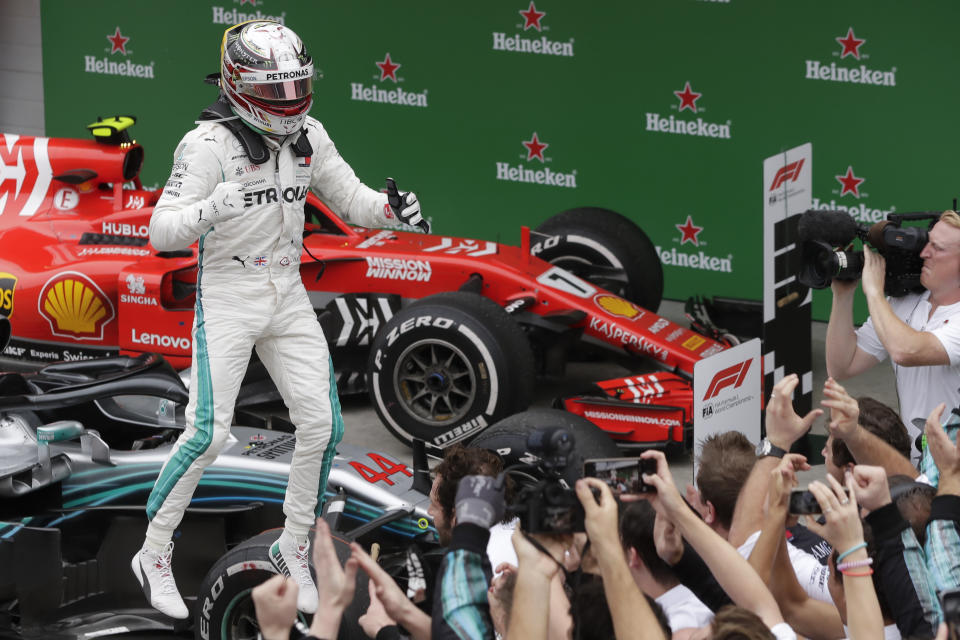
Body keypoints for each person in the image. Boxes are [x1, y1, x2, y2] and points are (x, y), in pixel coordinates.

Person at [131, 20, 427, 619]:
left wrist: (394, 212)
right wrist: (209, 210)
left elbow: (354, 202)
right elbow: (162, 231)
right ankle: (153, 550)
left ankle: (295, 543)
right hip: (231, 294)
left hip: (287, 292)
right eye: (277, 91)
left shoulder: (310, 133)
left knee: (323, 427)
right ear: (239, 85)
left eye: (297, 87)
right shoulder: (206, 145)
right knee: (208, 432)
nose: (291, 103)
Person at [825, 210, 960, 455]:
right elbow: (842, 366)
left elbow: (905, 351)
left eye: (937, 248)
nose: (923, 253)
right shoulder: (907, 302)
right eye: (927, 242)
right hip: (915, 461)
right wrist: (843, 296)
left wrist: (875, 293)